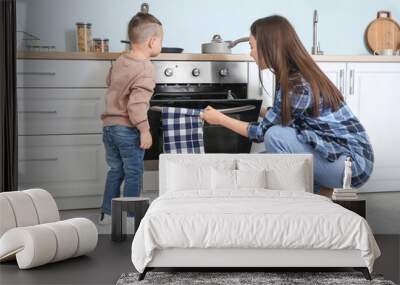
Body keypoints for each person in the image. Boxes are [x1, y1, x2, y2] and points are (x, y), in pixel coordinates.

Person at [201, 15, 373, 195]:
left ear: (269, 47)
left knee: (275, 136)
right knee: (258, 163)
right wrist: (251, 107)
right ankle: (319, 195)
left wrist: (220, 119)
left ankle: (309, 197)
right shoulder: (293, 76)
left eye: (252, 47)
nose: (250, 53)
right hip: (335, 155)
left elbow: (263, 133)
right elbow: (283, 115)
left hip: (351, 166)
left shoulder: (297, 85)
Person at [99, 12, 163, 223]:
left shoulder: (120, 59)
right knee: (134, 171)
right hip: (127, 129)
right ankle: (131, 215)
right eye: (161, 40)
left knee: (115, 169)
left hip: (109, 127)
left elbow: (110, 82)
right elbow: (136, 106)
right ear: (152, 41)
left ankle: (107, 214)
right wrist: (145, 130)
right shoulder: (145, 69)